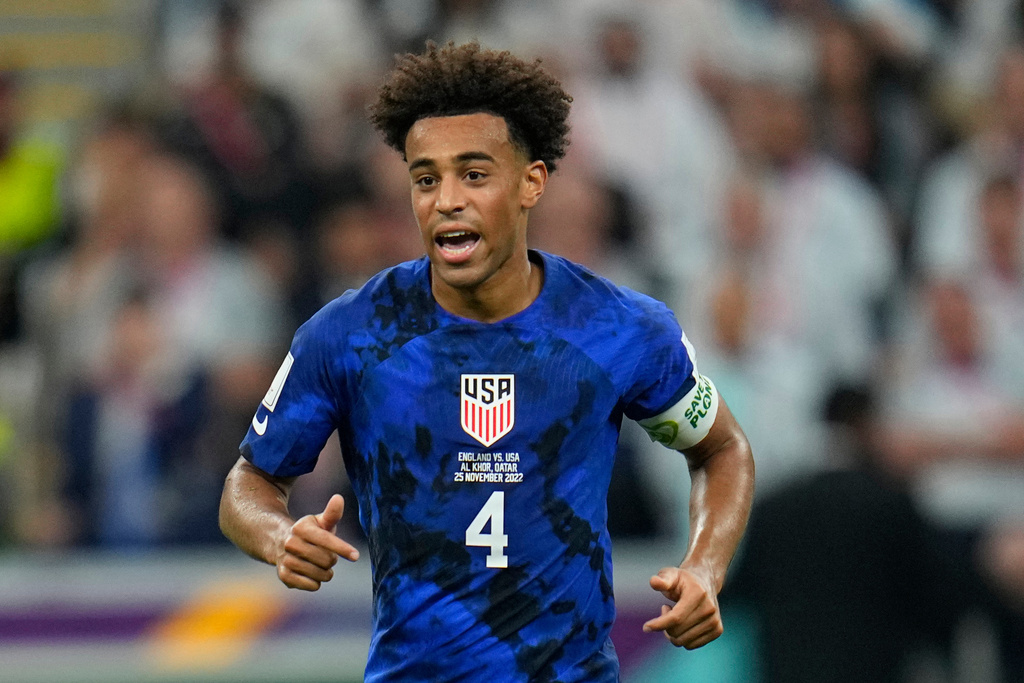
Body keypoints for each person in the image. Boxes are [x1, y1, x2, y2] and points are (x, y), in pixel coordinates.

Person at [219, 41, 754, 682]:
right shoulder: (350, 334)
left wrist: (705, 565)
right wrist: (278, 534)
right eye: (425, 178)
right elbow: (247, 485)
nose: (446, 199)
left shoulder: (620, 329)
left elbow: (722, 451)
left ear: (532, 183)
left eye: (473, 174)